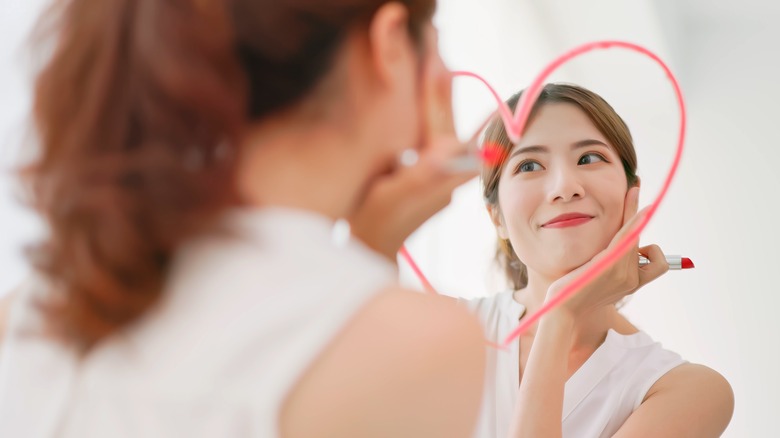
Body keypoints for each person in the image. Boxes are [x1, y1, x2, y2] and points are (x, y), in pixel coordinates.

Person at [0, 1, 490, 436]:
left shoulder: (41, 302)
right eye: (436, 46)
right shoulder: (423, 346)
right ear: (391, 44)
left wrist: (369, 248)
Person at [463, 83, 735, 437]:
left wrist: (559, 316)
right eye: (529, 165)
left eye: (589, 158)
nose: (565, 186)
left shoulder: (687, 391)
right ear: (495, 216)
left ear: (631, 194)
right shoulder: (440, 329)